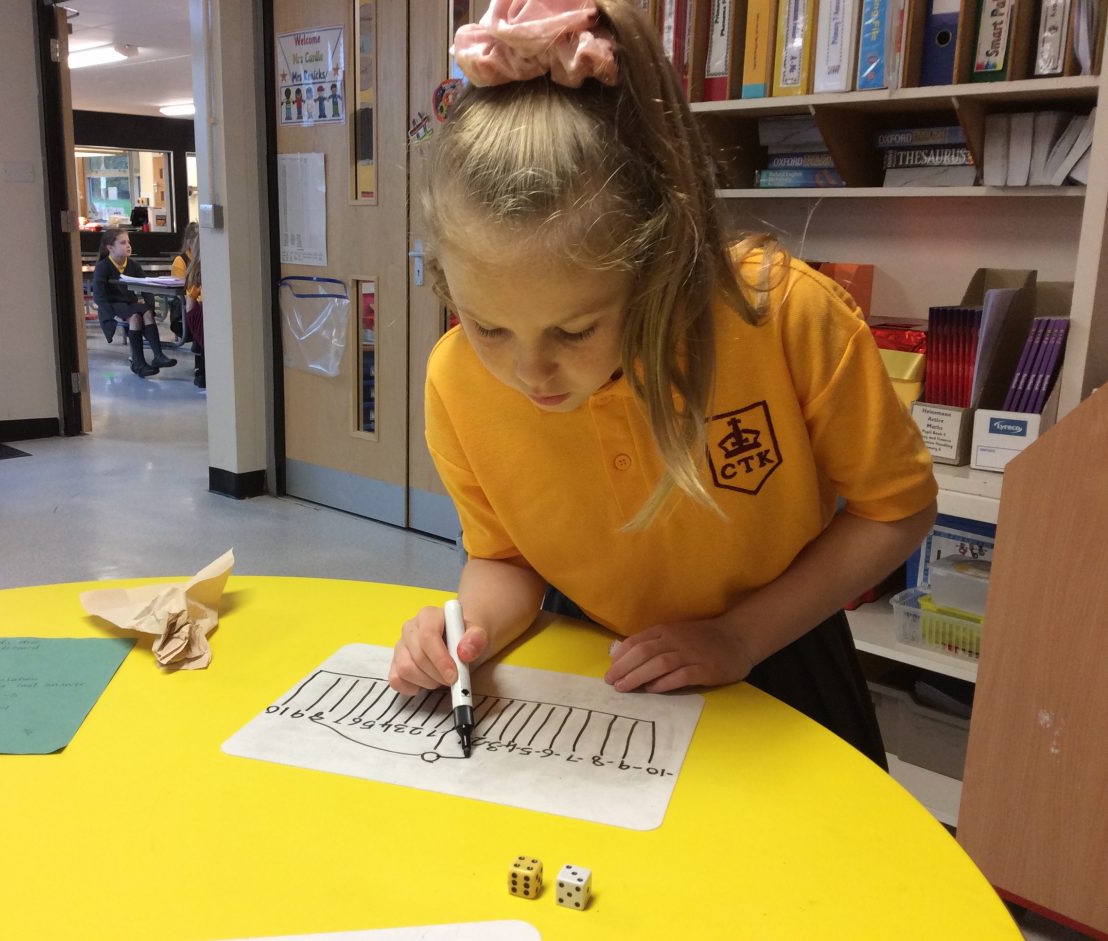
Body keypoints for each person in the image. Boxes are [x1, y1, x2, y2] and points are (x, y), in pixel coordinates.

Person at [386, 0, 938, 767]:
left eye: (574, 330)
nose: (529, 371)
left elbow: (898, 508)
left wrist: (740, 635)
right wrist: (464, 630)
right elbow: (505, 560)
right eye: (488, 326)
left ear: (660, 260)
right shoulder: (456, 381)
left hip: (782, 655)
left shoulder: (781, 316)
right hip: (594, 668)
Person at [90, 228, 177, 378]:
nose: (128, 246)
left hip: (129, 303)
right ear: (110, 248)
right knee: (135, 317)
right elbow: (99, 297)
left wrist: (150, 306)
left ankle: (158, 355)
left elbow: (146, 287)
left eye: (128, 242)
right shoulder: (103, 267)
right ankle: (138, 363)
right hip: (113, 305)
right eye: (123, 243)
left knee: (147, 313)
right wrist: (113, 315)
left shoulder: (133, 265)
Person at [183, 232, 205, 389]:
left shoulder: (194, 269)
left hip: (198, 312)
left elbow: (190, 302)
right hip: (204, 313)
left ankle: (203, 375)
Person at [170, 221, 200, 339]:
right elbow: (182, 290)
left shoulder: (205, 260)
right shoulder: (181, 260)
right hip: (187, 304)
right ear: (189, 243)